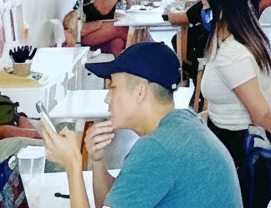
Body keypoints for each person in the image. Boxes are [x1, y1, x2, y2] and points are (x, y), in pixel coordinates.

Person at [42, 41, 241, 208]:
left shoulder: (158, 149)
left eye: (113, 87)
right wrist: (98, 160)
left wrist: (72, 164)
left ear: (140, 92)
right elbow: (114, 202)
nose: (107, 99)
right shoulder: (183, 123)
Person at [199, 0, 271, 208]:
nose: (203, 11)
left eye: (206, 6)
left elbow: (261, 112)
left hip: (237, 149)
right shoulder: (250, 38)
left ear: (220, 10)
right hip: (230, 139)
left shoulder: (232, 54)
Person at [167, 0, 236, 82]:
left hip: (214, 41)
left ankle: (194, 76)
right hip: (238, 40)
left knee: (180, 39)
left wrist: (170, 11)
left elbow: (178, 19)